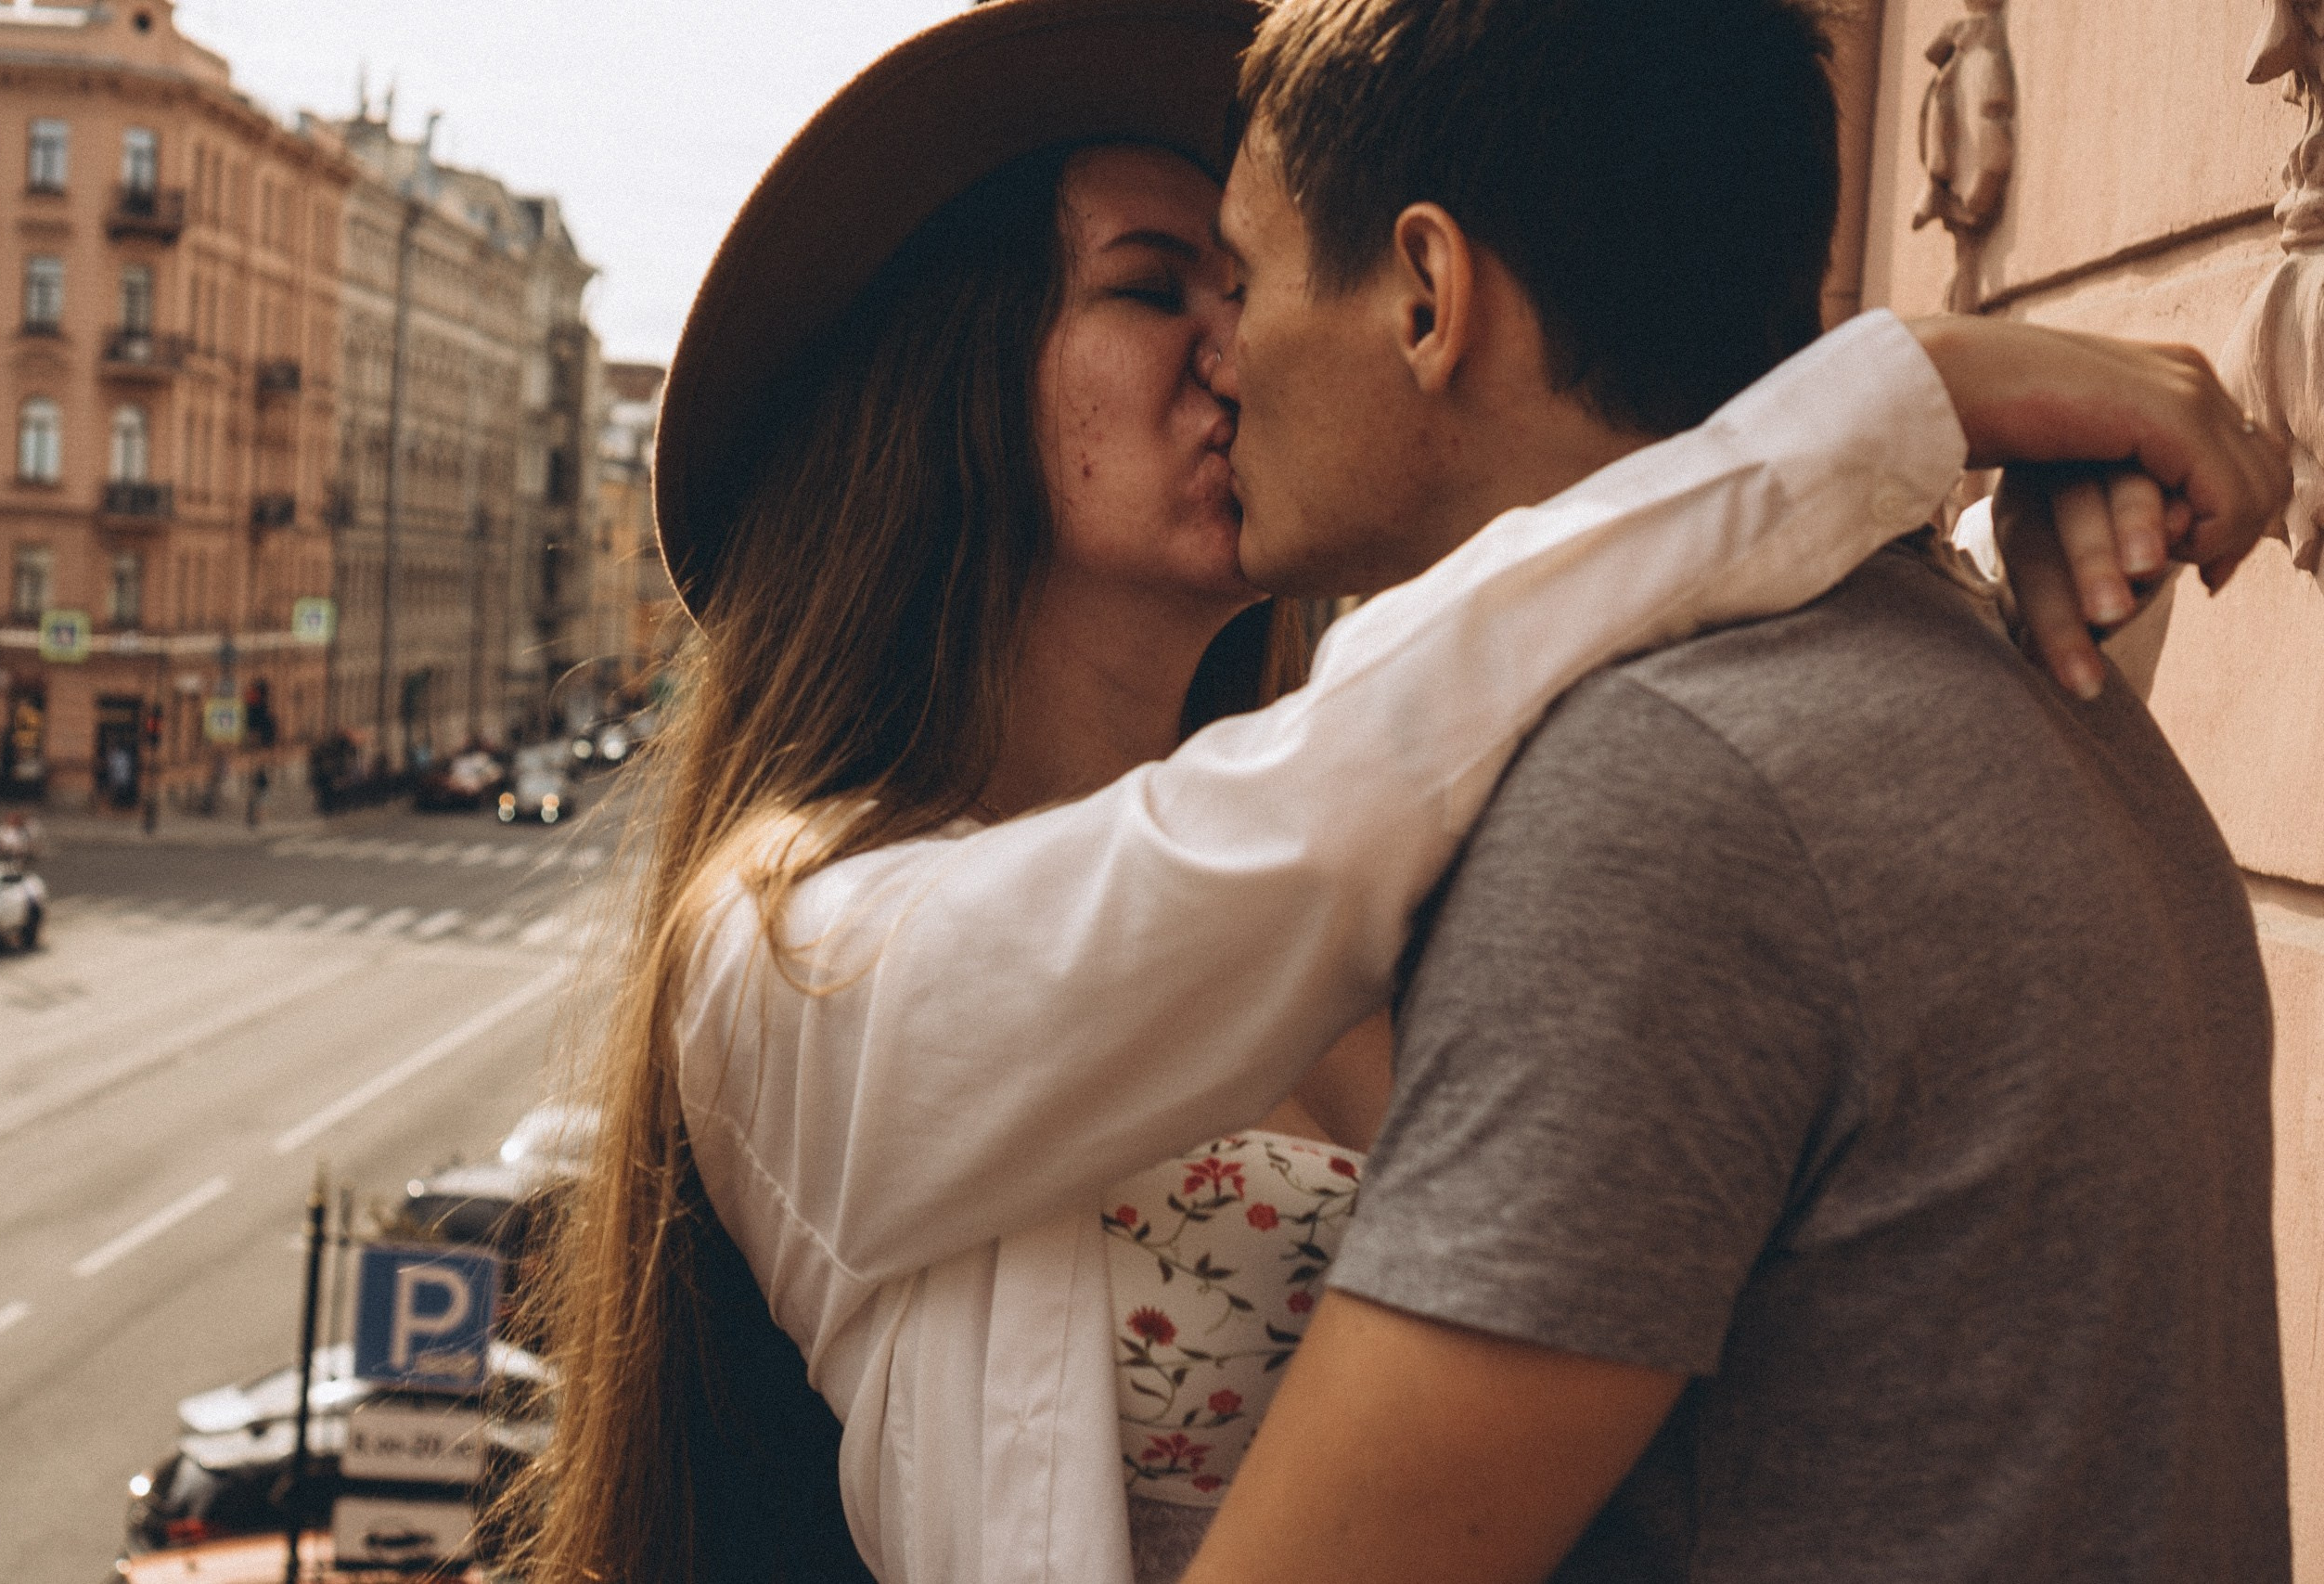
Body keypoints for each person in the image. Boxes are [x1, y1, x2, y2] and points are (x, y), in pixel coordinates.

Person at [525, 3, 2287, 1583]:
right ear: (944, 391)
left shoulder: (1443, 795)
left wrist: (1963, 551)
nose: (1236, 347)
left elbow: (1773, 821)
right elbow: (1299, 819)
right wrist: (1880, 410)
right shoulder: (791, 953)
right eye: (1157, 287)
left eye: (1244, 281)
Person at [1179, 1, 2291, 1580]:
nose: (1216, 352)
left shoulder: (1670, 792)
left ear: (1428, 295)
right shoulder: (1995, 688)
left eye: (1239, 277)